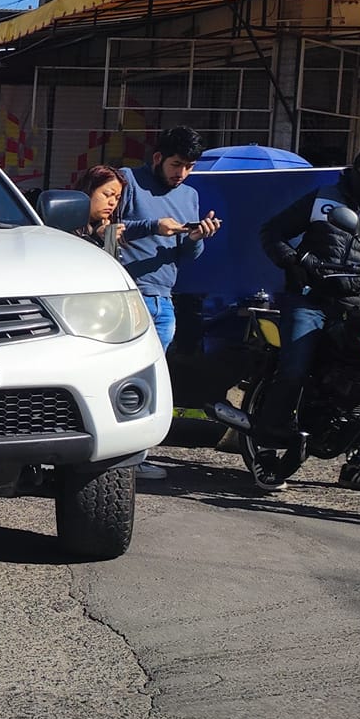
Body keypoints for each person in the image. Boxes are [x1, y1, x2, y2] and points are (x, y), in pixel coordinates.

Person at [253, 144, 360, 490]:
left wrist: (358, 280)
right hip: (312, 298)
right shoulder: (324, 196)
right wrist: (296, 263)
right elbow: (272, 232)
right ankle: (268, 449)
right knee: (294, 369)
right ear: (355, 170)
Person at [116, 126, 223, 481]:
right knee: (121, 378)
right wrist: (152, 226)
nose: (182, 174)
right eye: (177, 164)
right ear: (158, 157)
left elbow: (188, 255)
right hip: (128, 295)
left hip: (165, 300)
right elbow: (106, 228)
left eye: (190, 166)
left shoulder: (189, 195)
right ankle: (115, 455)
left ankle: (136, 455)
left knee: (152, 382)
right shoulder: (128, 180)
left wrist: (195, 237)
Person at [71, 165, 125, 252]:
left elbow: (110, 263)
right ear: (88, 190)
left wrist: (109, 240)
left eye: (117, 198)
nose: (112, 202)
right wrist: (97, 238)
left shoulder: (107, 226)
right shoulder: (66, 225)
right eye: (107, 194)